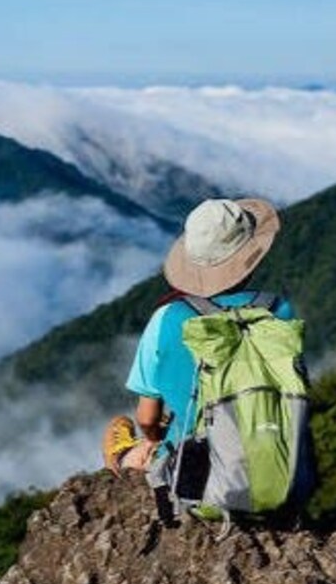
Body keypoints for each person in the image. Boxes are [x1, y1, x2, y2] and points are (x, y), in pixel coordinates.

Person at [103, 197, 294, 476]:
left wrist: (154, 438)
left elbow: (146, 418)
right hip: (274, 459)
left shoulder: (166, 319)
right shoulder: (280, 311)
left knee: (156, 438)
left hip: (198, 472)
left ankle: (124, 459)